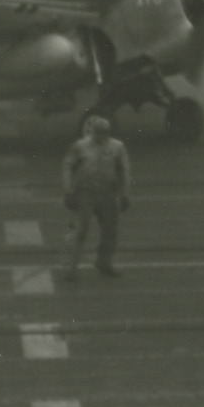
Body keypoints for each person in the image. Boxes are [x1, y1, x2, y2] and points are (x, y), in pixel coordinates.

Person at [62, 111, 134, 281]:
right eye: (98, 132)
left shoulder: (117, 147)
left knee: (110, 230)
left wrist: (125, 194)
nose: (101, 136)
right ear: (93, 132)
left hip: (107, 192)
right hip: (85, 192)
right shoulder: (80, 146)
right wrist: (68, 191)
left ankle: (104, 262)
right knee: (82, 229)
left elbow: (124, 170)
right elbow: (67, 166)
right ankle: (71, 268)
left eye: (105, 133)